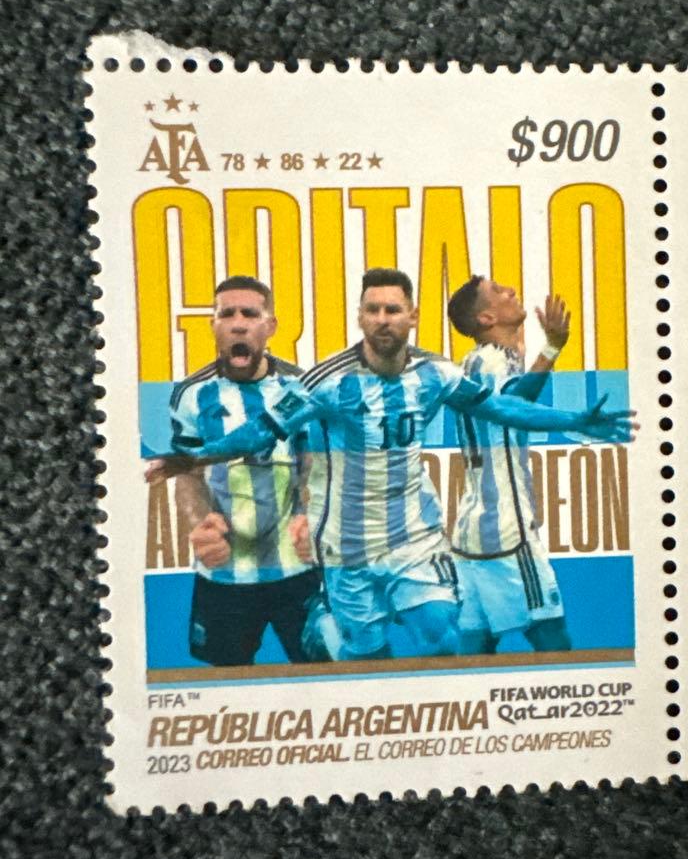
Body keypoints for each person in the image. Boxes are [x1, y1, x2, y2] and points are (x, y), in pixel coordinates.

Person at [150, 268, 635, 663]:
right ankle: (336, 638)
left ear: (412, 316)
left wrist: (574, 418)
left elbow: (500, 408)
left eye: (393, 310)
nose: (383, 319)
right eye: (373, 310)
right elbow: (261, 431)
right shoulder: (325, 382)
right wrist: (194, 457)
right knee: (367, 661)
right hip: (346, 547)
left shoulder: (436, 373)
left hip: (414, 538)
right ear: (360, 317)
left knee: (441, 634)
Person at [167, 276, 321, 666]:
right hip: (224, 575)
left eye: (250, 314)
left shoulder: (300, 387)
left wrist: (311, 517)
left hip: (297, 569)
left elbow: (314, 464)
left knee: (323, 676)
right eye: (227, 314)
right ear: (213, 325)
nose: (238, 324)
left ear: (270, 326)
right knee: (224, 684)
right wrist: (200, 523)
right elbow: (188, 472)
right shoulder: (191, 394)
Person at [446, 276, 573, 653]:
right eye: (499, 291)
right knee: (552, 637)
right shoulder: (489, 359)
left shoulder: (480, 361)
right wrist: (552, 348)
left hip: (473, 528)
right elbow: (513, 404)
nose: (512, 291)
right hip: (506, 527)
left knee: (476, 645)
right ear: (486, 318)